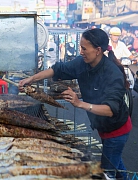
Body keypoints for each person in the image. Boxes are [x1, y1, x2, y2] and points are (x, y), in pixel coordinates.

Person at [18, 28, 131, 180]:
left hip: (117, 129)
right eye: (80, 47)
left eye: (84, 48)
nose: (81, 51)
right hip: (104, 128)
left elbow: (110, 110)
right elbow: (57, 69)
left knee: (107, 171)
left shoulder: (112, 73)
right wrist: (31, 79)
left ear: (98, 50)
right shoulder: (82, 63)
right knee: (114, 160)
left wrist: (80, 103)